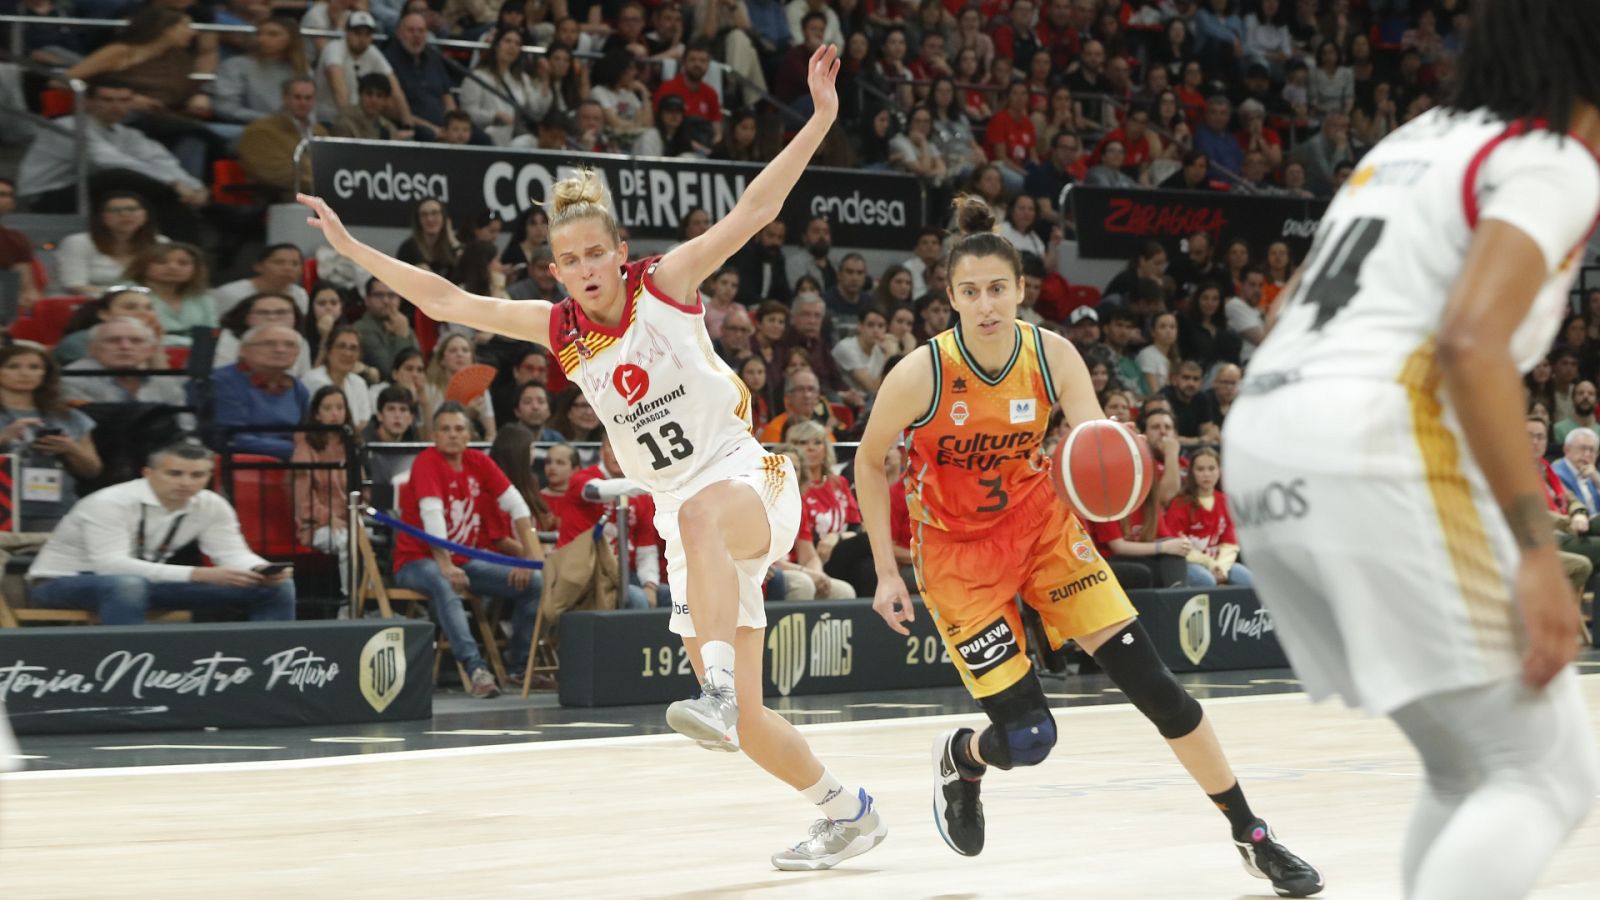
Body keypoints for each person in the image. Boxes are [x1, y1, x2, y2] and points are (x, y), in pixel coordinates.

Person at [297, 45, 888, 870]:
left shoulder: (667, 282)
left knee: (706, 538)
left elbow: (755, 207)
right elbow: (445, 297)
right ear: (556, 269)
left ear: (618, 251)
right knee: (750, 723)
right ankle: (847, 811)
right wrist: (352, 247)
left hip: (746, 477)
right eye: (567, 261)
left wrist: (822, 117)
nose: (583, 271)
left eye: (593, 255)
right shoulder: (559, 329)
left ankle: (715, 691)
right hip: (685, 522)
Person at [1222, 5, 1600, 896]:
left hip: (1264, 439)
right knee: (1548, 773)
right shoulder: (1551, 158)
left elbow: (1298, 310)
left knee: (1473, 769)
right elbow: (1469, 345)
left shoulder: (1416, 138)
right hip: (1370, 444)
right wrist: (1536, 552)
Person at [853, 196, 1320, 896]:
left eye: (998, 288)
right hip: (958, 557)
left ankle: (1252, 834)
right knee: (1029, 740)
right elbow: (867, 462)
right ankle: (963, 757)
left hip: (1043, 532)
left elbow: (1095, 451)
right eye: (970, 292)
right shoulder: (921, 373)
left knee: (1159, 690)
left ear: (1021, 289)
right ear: (949, 297)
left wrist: (1119, 471)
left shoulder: (1052, 356)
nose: (986, 304)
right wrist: (887, 574)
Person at [27, 441, 296, 624]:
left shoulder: (210, 503)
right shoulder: (109, 502)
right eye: (175, 473)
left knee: (276, 587)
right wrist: (199, 574)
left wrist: (259, 569)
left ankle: (275, 664)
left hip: (146, 583)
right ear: (148, 473)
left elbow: (232, 553)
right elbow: (111, 565)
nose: (186, 482)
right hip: (61, 583)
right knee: (126, 584)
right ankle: (127, 666)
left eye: (197, 475)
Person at [391, 403, 543, 698]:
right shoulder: (426, 462)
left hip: (465, 560)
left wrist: (530, 558)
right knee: (444, 581)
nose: (452, 435)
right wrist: (446, 564)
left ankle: (519, 669)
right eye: (445, 429)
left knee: (534, 582)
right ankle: (476, 670)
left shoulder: (479, 461)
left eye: (459, 429)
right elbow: (432, 515)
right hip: (416, 561)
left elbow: (517, 505)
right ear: (434, 435)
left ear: (469, 435)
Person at [0, 345, 103, 532]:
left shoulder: (69, 417)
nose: (25, 373)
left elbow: (92, 470)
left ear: (45, 374)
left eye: (34, 367)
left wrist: (70, 448)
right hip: (4, 508)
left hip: (55, 510)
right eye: (13, 366)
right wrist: (4, 438)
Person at [205, 324, 310, 460]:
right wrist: (296, 450)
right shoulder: (222, 381)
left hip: (292, 462)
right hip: (242, 464)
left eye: (290, 345)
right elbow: (231, 438)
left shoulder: (297, 387)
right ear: (243, 350)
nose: (280, 350)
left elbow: (308, 432)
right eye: (269, 343)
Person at [292, 385, 359, 592]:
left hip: (352, 520)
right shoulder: (305, 448)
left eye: (340, 407)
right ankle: (351, 604)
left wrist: (359, 515)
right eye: (328, 408)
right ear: (317, 414)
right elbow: (303, 502)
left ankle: (377, 600)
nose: (335, 413)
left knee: (383, 538)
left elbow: (362, 489)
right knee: (348, 541)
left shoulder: (352, 445)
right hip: (317, 526)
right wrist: (329, 518)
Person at [60, 317, 188, 408]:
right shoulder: (70, 380)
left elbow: (185, 425)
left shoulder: (165, 382)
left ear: (151, 350)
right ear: (92, 349)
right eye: (113, 340)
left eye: (136, 341)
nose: (125, 346)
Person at [54, 193, 166, 297]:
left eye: (132, 209)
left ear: (145, 215)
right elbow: (74, 286)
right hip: (91, 303)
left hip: (150, 303)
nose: (124, 214)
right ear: (101, 217)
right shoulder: (78, 242)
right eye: (114, 210)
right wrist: (125, 298)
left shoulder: (160, 242)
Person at [302, 325, 374, 429]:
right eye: (341, 346)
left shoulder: (358, 383)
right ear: (328, 351)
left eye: (353, 348)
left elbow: (364, 421)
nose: (348, 353)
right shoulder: (314, 380)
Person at [213, 244, 309, 318]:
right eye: (279, 262)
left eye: (295, 264)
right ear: (258, 266)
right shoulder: (230, 293)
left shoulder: (300, 294)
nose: (288, 268)